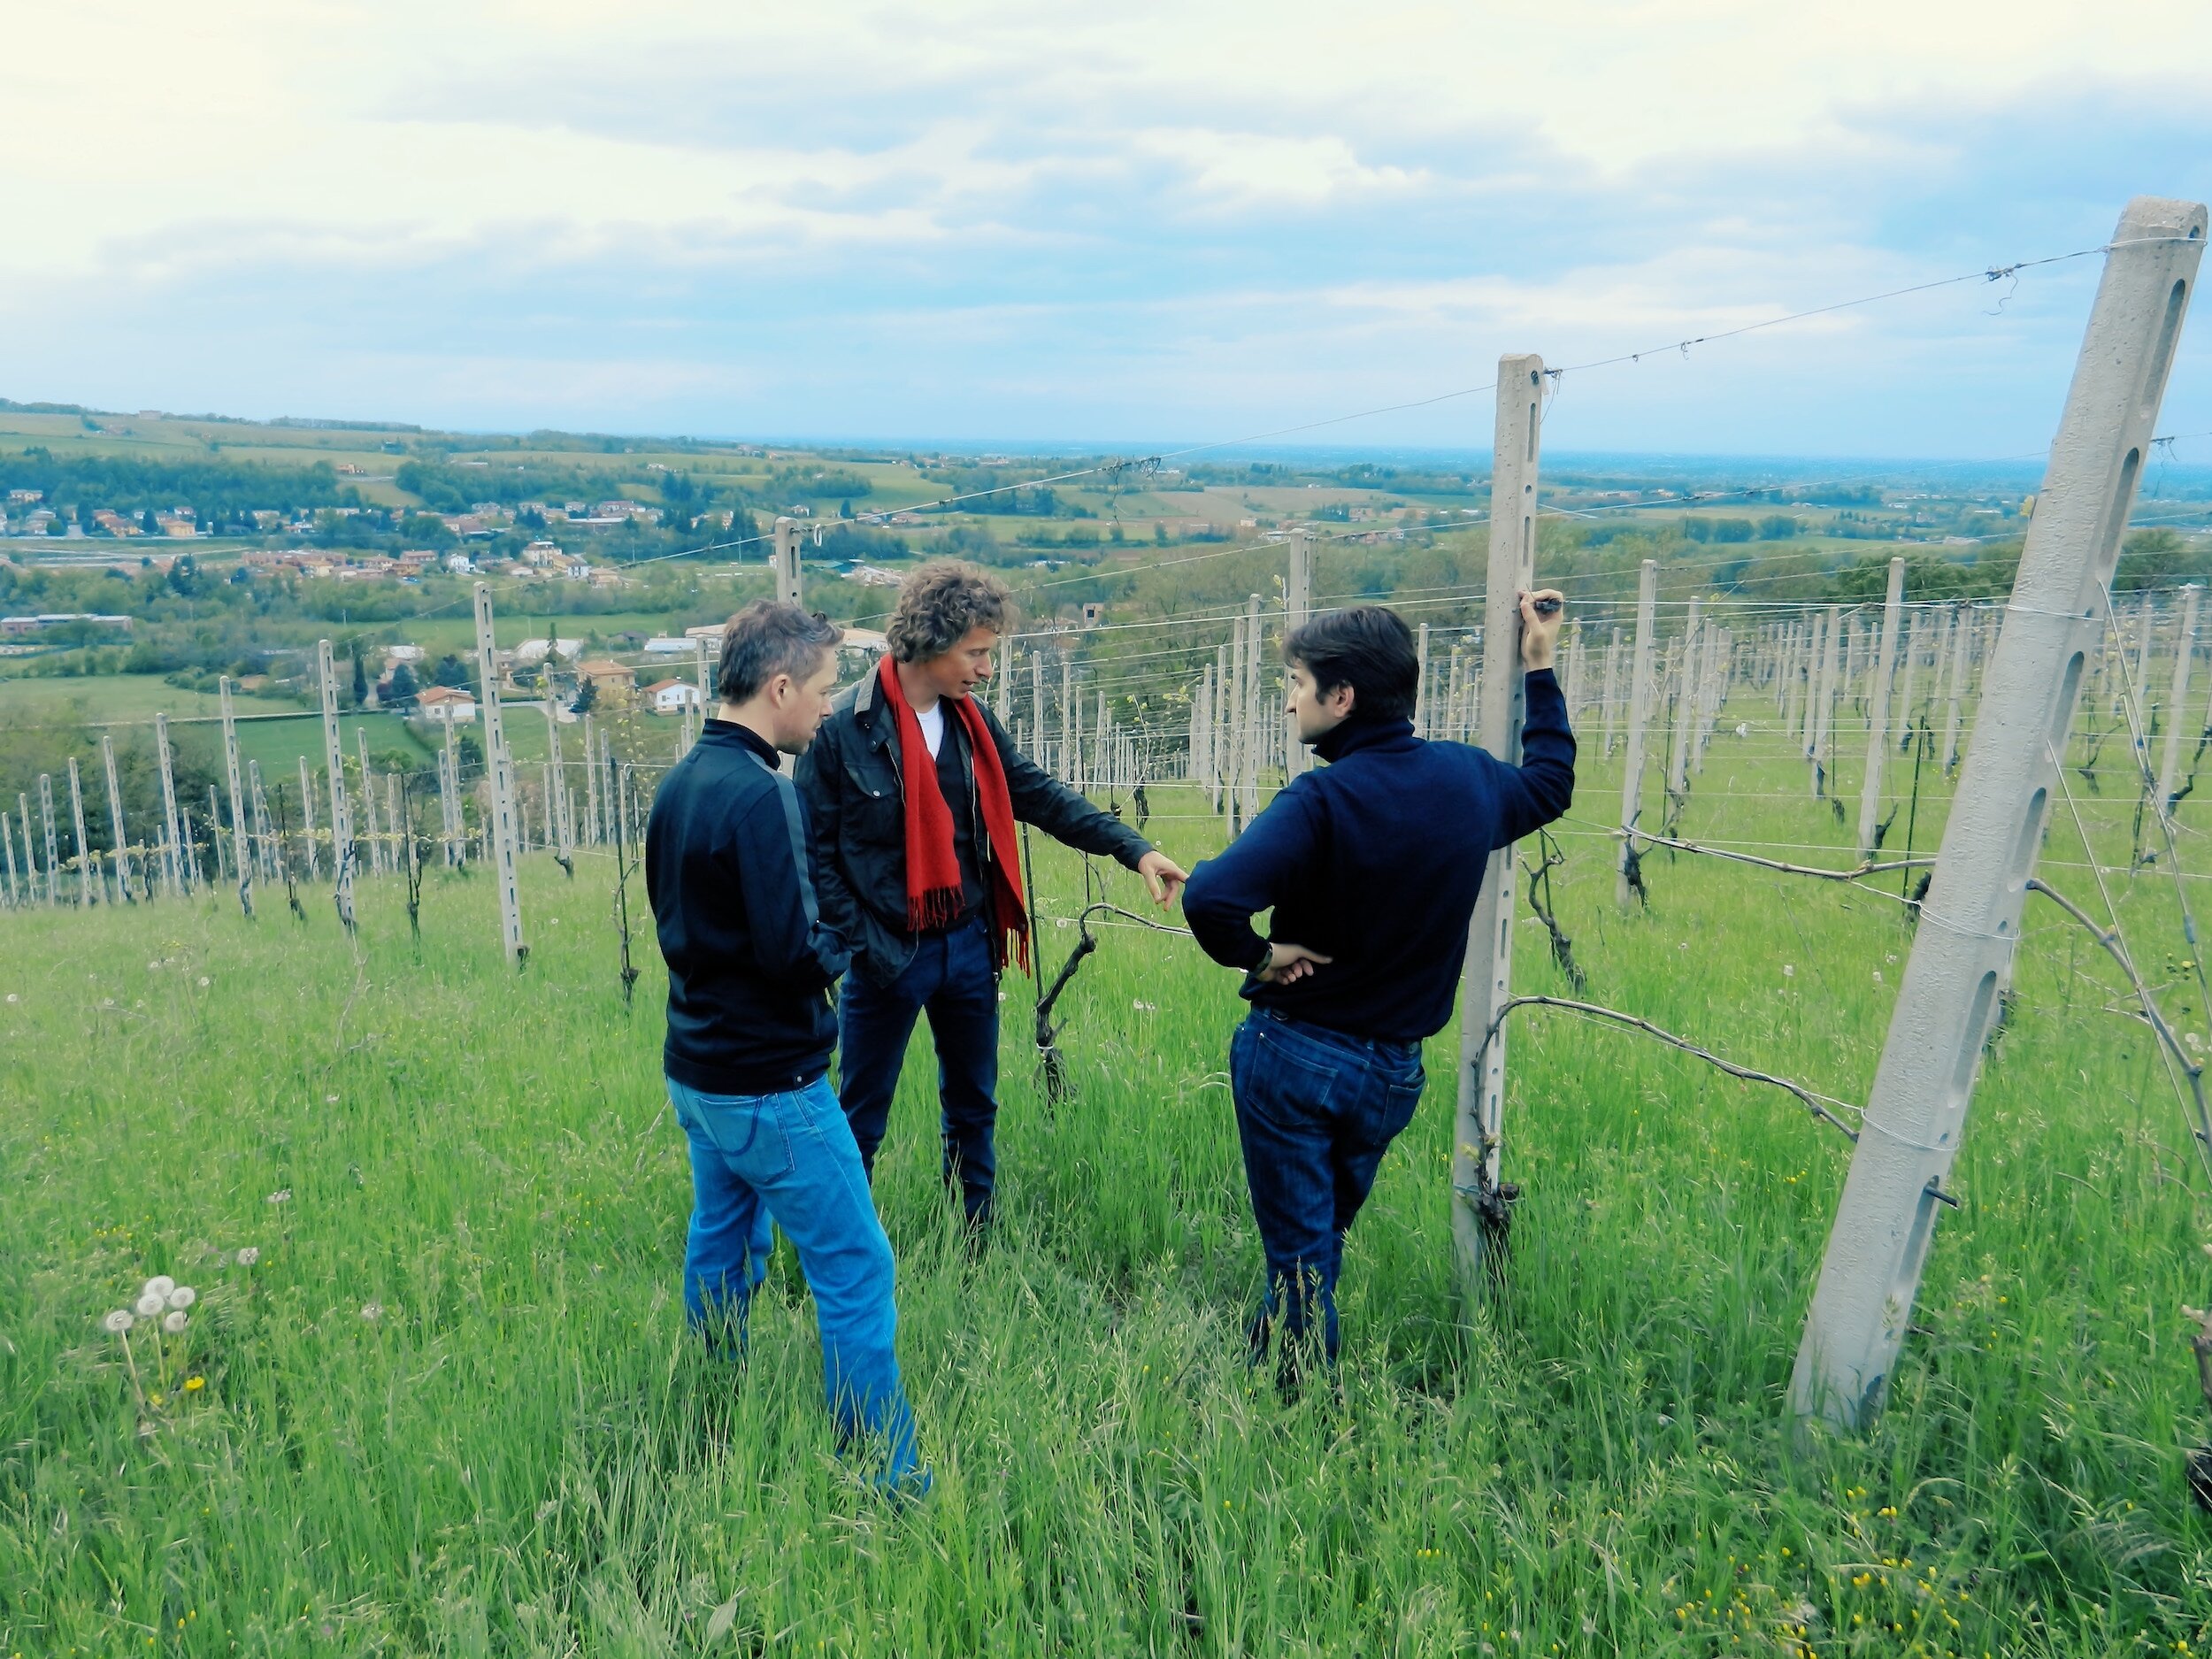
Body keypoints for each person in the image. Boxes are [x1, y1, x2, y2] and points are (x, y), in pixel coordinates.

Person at [1180, 596, 1574, 1389]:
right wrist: (1540, 663)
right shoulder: (1467, 780)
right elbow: (1549, 784)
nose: (1289, 698)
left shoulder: (1320, 802)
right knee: (1315, 1244)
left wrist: (1257, 958)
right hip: (1393, 1074)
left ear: (1344, 697)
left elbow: (1209, 897)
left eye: (1297, 682)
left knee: (1301, 1258)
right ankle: (1270, 1369)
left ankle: (1297, 1417)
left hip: (1296, 1057)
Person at [796, 560, 1188, 1230]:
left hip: (969, 945)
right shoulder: (841, 731)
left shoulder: (971, 723)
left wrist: (1136, 848)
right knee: (862, 1111)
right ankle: (839, 1249)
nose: (985, 668)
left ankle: (973, 1238)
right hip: (888, 954)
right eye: (975, 652)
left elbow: (1036, 793)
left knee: (975, 1103)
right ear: (930, 641)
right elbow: (816, 854)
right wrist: (863, 942)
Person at [645, 599, 926, 1491]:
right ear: (777, 687)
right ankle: (885, 1474)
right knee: (854, 1264)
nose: (825, 706)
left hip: (699, 1071)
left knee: (722, 1243)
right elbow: (793, 952)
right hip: (773, 1082)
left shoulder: (680, 784)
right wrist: (851, 946)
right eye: (819, 689)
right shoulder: (763, 795)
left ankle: (713, 1409)